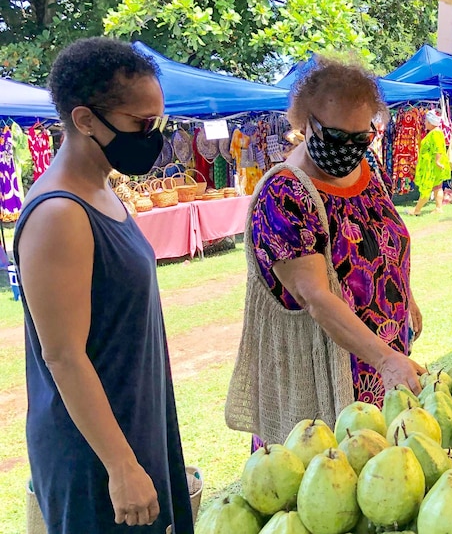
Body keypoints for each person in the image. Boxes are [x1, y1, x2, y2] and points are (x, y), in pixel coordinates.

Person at [13, 38, 193, 533]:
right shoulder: (59, 214)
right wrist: (121, 466)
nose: (152, 135)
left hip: (133, 418)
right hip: (94, 450)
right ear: (86, 120)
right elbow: (63, 356)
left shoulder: (102, 189)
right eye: (141, 123)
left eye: (157, 122)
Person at [231, 57, 425, 446]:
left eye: (361, 137)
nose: (348, 149)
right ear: (304, 123)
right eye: (336, 137)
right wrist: (384, 359)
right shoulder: (284, 194)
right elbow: (315, 296)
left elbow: (382, 244)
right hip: (327, 377)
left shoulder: (371, 171)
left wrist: (407, 299)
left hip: (382, 367)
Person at [411, 110, 451, 216]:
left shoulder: (436, 133)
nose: (425, 123)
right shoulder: (435, 132)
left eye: (426, 121)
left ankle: (417, 210)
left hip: (432, 166)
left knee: (426, 187)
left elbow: (438, 149)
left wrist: (437, 161)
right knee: (437, 186)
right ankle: (438, 208)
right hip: (433, 164)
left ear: (430, 122)